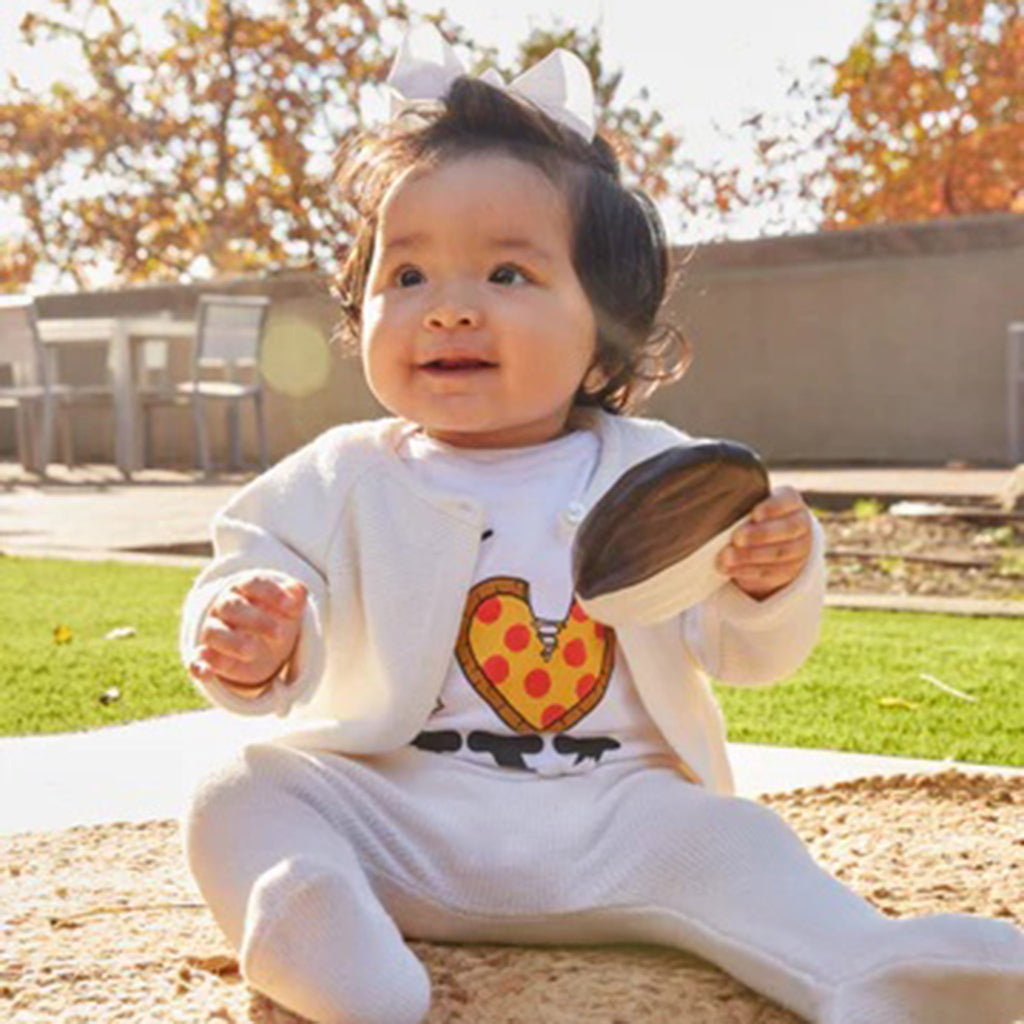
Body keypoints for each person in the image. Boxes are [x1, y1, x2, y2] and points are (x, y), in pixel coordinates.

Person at [179, 25, 1024, 1024]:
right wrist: (250, 635)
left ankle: (872, 967)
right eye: (406, 276)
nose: (447, 309)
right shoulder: (338, 474)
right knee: (241, 790)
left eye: (507, 274)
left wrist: (763, 580)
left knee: (740, 843)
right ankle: (316, 931)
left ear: (604, 334)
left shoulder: (660, 470)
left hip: (622, 818)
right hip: (398, 810)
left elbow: (745, 651)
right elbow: (253, 568)